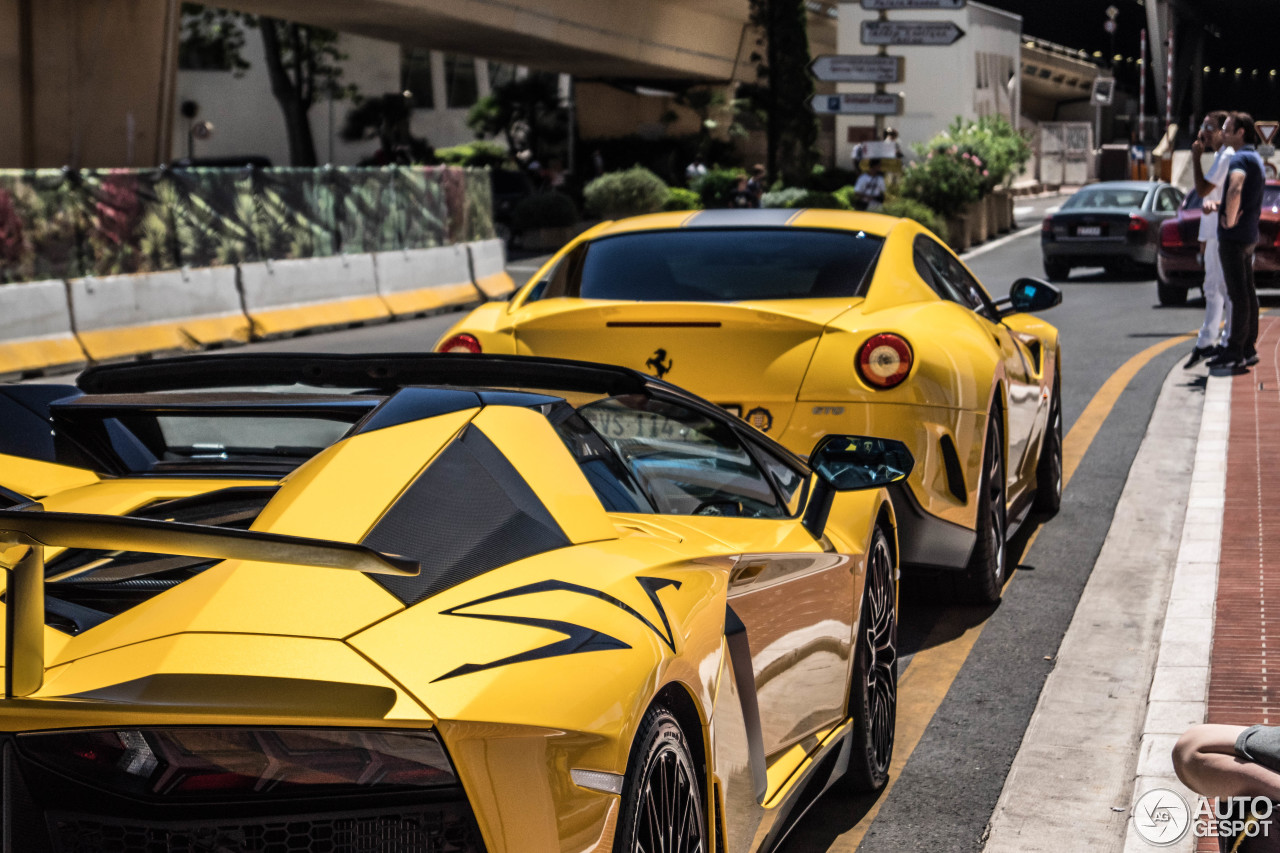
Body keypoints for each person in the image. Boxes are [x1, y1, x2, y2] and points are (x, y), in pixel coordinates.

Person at [1206, 112, 1267, 371]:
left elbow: (1236, 187)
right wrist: (1222, 206)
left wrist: (1228, 219)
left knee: (1238, 295)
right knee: (1248, 292)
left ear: (1241, 132)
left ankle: (1235, 350)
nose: (1222, 133)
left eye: (1228, 128)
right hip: (1248, 235)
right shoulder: (1255, 158)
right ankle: (1248, 347)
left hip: (1234, 237)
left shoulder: (1240, 158)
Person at [1185, 111, 1235, 369]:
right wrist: (1203, 237)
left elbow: (1203, 190)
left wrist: (1195, 157)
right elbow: (1209, 199)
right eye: (1202, 126)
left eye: (1210, 127)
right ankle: (1209, 341)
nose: (1204, 131)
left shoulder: (1226, 157)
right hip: (1213, 233)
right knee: (1213, 288)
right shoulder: (1218, 157)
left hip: (1221, 233)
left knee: (1223, 289)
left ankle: (1225, 343)